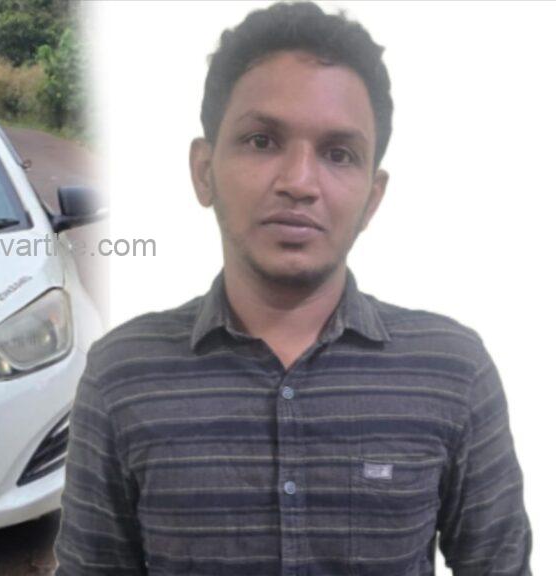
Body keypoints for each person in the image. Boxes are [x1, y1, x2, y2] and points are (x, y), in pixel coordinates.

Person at [52, 2, 532, 575]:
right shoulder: (123, 375)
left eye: (338, 154)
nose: (299, 182)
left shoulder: (453, 370)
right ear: (204, 171)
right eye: (262, 141)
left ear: (372, 197)